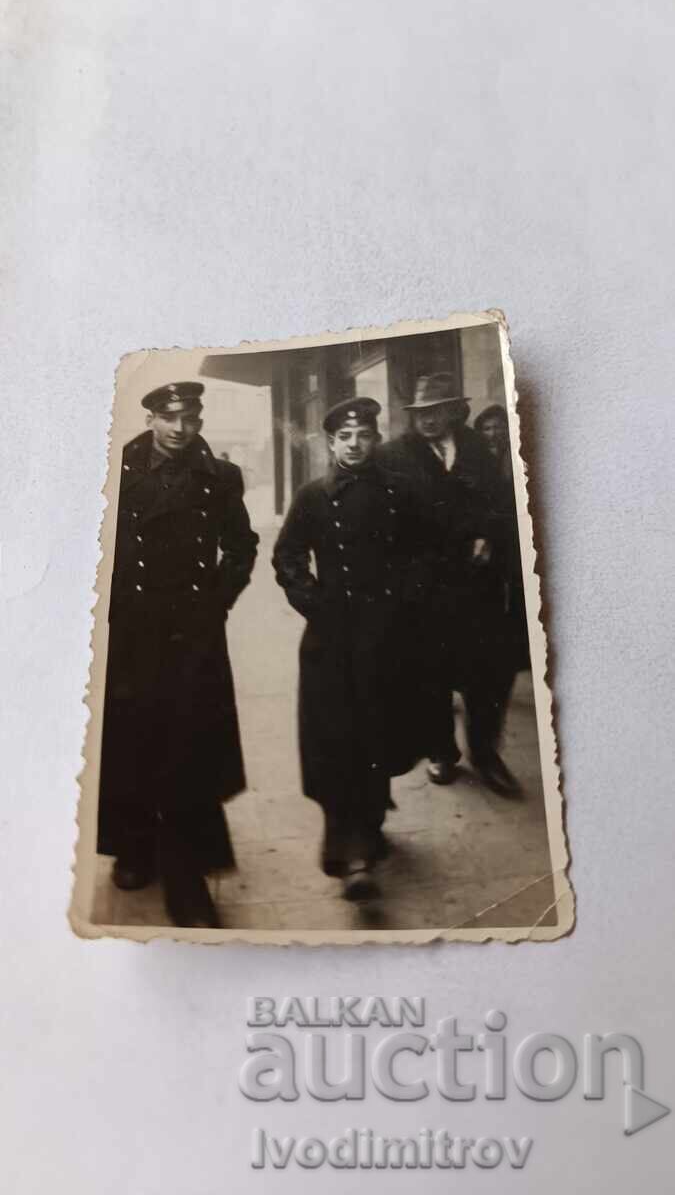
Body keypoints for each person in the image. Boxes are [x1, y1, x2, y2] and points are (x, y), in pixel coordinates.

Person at [98, 381, 259, 927]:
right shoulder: (115, 471)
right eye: (169, 419)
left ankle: (188, 878)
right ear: (150, 419)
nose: (180, 429)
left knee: (187, 749)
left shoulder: (219, 477)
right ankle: (134, 847)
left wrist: (217, 601)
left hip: (193, 633)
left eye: (189, 418)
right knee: (132, 740)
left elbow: (242, 546)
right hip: (131, 633)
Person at [272, 396, 428, 899]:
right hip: (331, 637)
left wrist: (405, 599)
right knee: (334, 738)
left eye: (364, 436)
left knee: (377, 732)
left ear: (376, 439)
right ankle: (346, 844)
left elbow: (420, 552)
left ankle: (372, 823)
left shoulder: (398, 492)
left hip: (386, 635)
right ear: (331, 442)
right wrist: (314, 601)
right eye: (345, 437)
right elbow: (288, 555)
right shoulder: (315, 495)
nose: (355, 444)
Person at [378, 372, 521, 797]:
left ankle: (486, 754)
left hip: (477, 587)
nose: (428, 419)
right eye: (421, 412)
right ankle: (441, 752)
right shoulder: (393, 456)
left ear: (453, 411)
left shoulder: (476, 448)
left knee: (489, 675)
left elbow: (498, 504)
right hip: (424, 590)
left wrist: (487, 535)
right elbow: (385, 525)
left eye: (436, 411)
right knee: (429, 675)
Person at [474, 403, 530, 673]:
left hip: (515, 536)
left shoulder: (517, 456)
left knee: (519, 588)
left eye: (498, 426)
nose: (493, 432)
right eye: (487, 427)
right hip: (490, 536)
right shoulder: (476, 459)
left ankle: (521, 650)